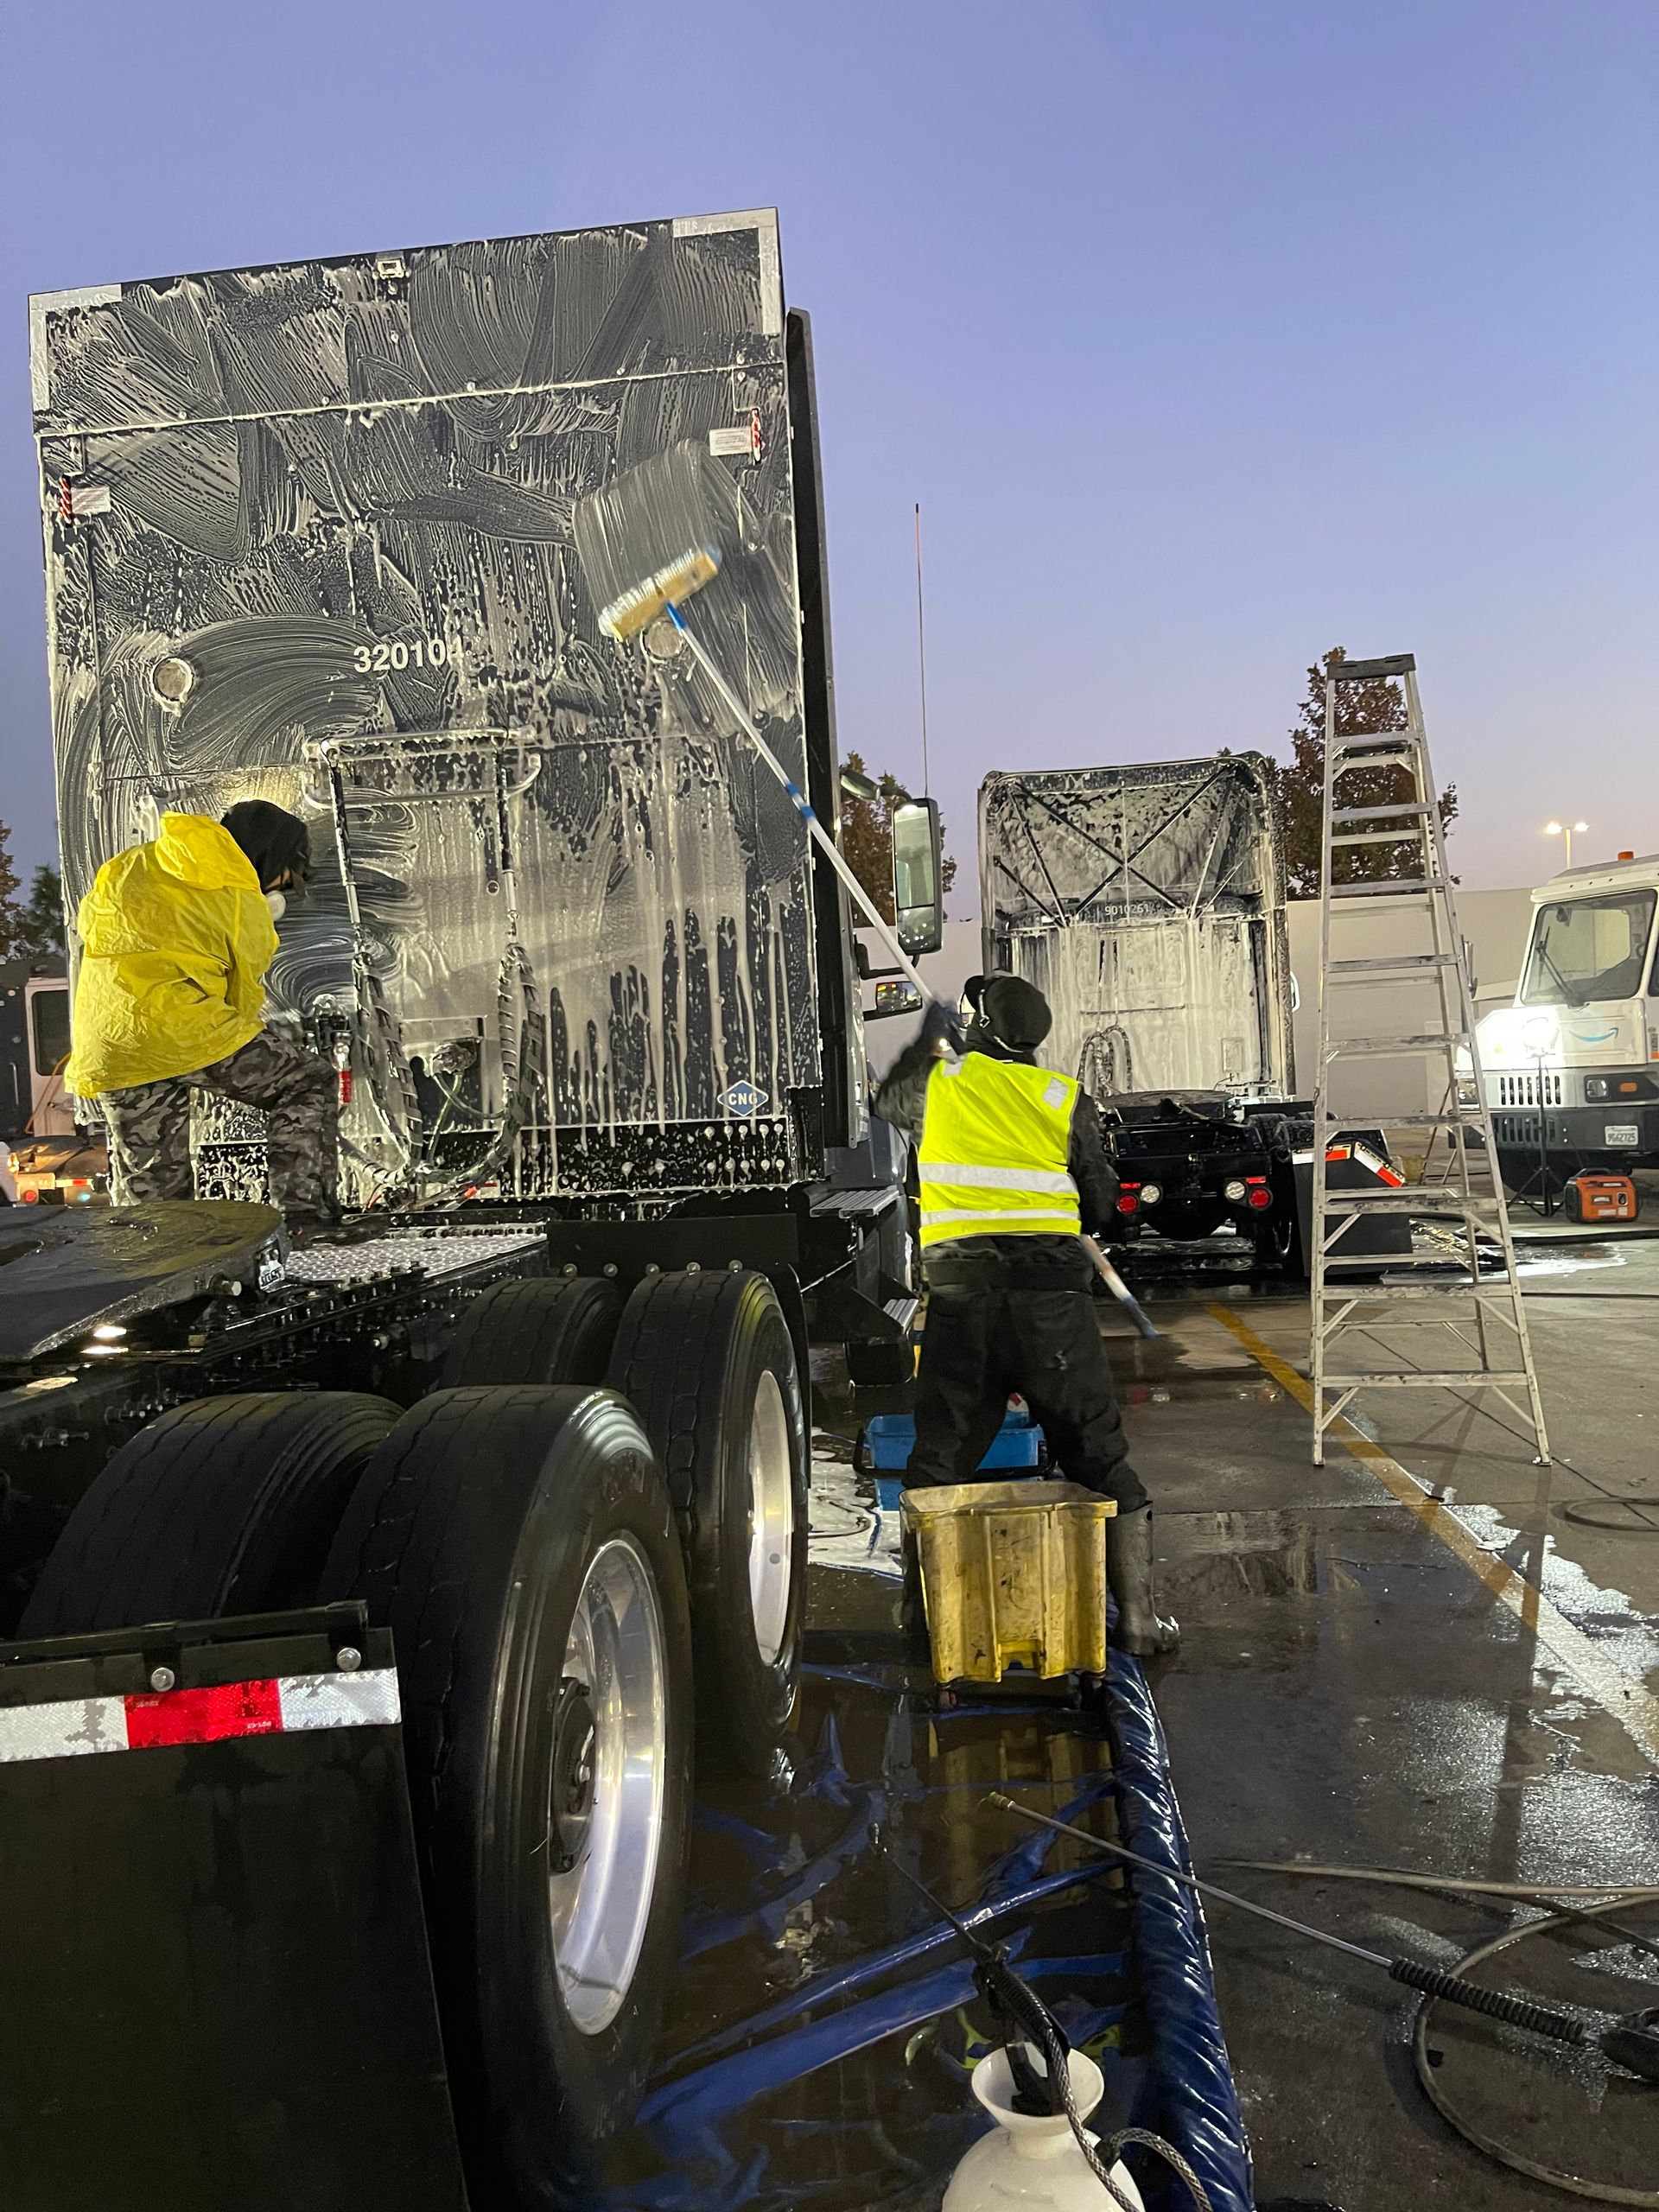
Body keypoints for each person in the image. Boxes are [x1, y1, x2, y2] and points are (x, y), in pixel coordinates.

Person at [873, 972, 1178, 1656]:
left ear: (979, 1024)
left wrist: (930, 1038)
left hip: (961, 1303)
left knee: (939, 1461)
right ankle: (1139, 1622)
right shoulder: (1065, 1098)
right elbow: (1102, 1208)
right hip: (1053, 1309)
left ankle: (921, 1622)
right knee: (1097, 1456)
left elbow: (883, 1099)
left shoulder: (939, 1083)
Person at [65, 801, 340, 1228]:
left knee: (154, 1188)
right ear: (269, 857)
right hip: (184, 1031)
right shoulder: (240, 897)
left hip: (110, 1041)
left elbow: (89, 927)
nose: (282, 888)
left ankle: (156, 1267)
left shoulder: (128, 864)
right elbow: (243, 997)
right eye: (285, 877)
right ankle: (304, 1218)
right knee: (306, 1081)